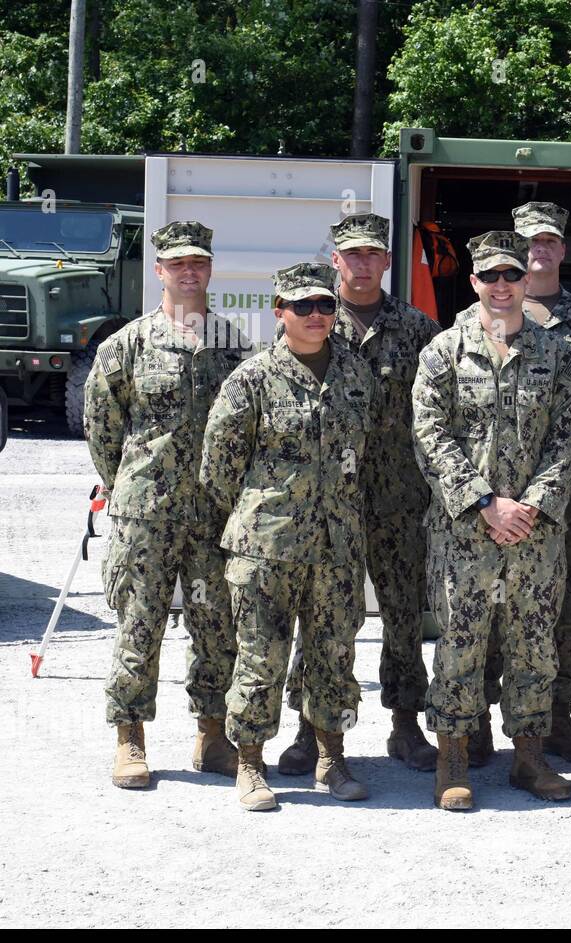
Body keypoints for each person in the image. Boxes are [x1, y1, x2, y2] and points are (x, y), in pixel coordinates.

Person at [412, 231, 571, 810]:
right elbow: (429, 435)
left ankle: (530, 759)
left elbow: (569, 438)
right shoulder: (443, 351)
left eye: (512, 274)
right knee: (461, 642)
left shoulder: (557, 353)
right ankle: (453, 758)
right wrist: (485, 502)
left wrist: (531, 506)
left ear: (525, 279)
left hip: (535, 532)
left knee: (533, 643)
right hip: (465, 531)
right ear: (474, 282)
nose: (503, 285)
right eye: (490, 276)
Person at [465, 202, 571, 766]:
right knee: (489, 605)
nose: (536, 252)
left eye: (548, 241)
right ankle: (480, 720)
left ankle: (555, 718)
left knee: (559, 609)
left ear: (562, 249)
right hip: (489, 498)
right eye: (526, 242)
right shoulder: (468, 327)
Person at [201, 262, 375, 811]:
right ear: (280, 312)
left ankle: (331, 757)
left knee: (334, 654)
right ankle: (250, 764)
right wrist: (265, 511)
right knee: (261, 656)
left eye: (326, 305)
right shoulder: (251, 379)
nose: (317, 315)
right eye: (303, 306)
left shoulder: (355, 375)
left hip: (338, 546)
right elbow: (218, 466)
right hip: (266, 547)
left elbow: (362, 456)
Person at [276, 213, 439, 777]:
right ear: (336, 260)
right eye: (352, 254)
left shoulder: (418, 330)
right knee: (323, 615)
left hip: (400, 497)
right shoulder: (312, 320)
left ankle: (406, 725)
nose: (363, 263)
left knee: (402, 613)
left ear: (387, 261)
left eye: (373, 253)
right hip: (328, 499)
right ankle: (310, 727)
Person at [84, 220, 246, 789]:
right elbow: (103, 432)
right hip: (144, 517)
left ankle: (212, 734)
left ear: (209, 269)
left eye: (198, 262)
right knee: (139, 623)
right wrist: (131, 485)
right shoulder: (125, 346)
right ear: (160, 271)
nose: (189, 271)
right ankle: (130, 738)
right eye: (178, 263)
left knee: (216, 626)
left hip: (213, 516)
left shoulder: (233, 345)